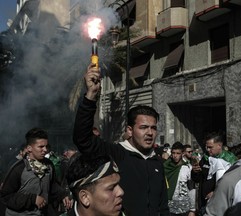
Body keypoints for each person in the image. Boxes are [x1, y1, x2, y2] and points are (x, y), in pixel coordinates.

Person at [73, 64, 169, 216]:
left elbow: (163, 206)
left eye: (153, 128)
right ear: (130, 130)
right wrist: (91, 95)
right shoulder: (116, 154)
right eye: (143, 127)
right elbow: (83, 139)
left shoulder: (157, 162)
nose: (150, 133)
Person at [0, 127, 72, 216]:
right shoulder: (19, 168)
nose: (45, 150)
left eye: (46, 146)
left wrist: (63, 195)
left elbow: (53, 186)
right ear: (29, 148)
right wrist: (32, 199)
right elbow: (6, 196)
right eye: (41, 147)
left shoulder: (49, 165)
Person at [191, 131, 237, 214]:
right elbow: (197, 179)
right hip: (204, 204)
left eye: (210, 147)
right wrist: (194, 172)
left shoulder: (231, 160)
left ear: (219, 145)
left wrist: (216, 192)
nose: (207, 149)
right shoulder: (205, 159)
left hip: (222, 205)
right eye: (206, 147)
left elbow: (234, 184)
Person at [164, 142, 195, 216]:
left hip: (184, 207)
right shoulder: (165, 167)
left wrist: (192, 210)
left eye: (178, 153)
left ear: (182, 154)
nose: (175, 156)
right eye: (173, 153)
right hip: (168, 206)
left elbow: (191, 188)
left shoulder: (187, 168)